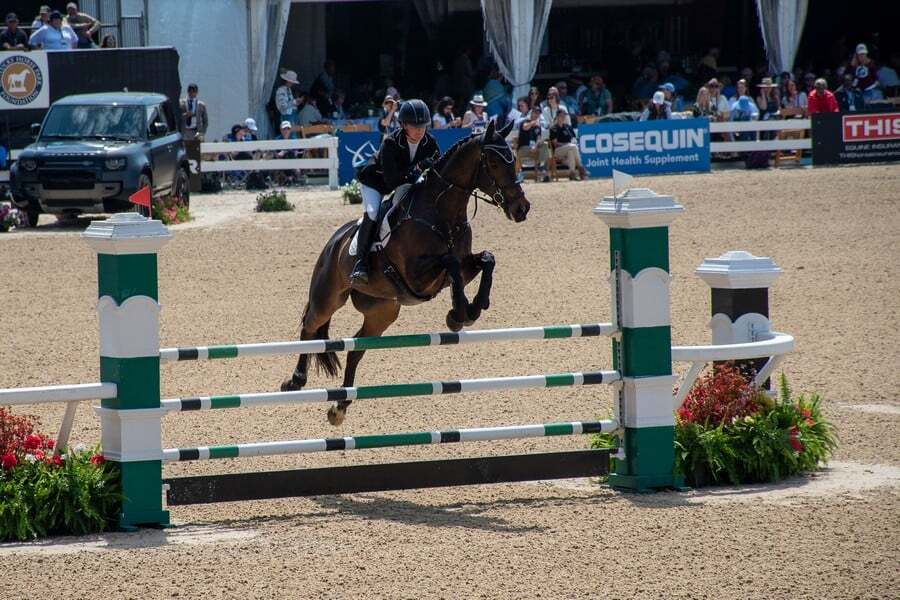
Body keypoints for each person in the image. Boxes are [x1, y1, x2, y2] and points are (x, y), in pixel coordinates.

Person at [354, 99, 439, 284]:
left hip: (404, 181)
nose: (420, 130)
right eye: (414, 126)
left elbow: (438, 168)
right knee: (373, 213)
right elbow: (391, 181)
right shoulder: (390, 143)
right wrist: (418, 168)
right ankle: (360, 264)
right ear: (404, 125)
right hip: (376, 182)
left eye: (423, 126)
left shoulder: (429, 142)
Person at [549, 110, 587, 180]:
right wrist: (568, 144)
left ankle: (572, 174)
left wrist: (572, 143)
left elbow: (574, 139)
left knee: (571, 152)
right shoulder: (554, 128)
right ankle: (581, 167)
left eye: (564, 116)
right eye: (561, 116)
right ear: (557, 117)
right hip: (557, 151)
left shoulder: (568, 127)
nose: (563, 117)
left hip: (569, 149)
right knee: (572, 147)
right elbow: (555, 144)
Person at [516, 106, 550, 182]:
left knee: (545, 144)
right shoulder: (525, 121)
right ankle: (542, 170)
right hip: (523, 148)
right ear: (531, 113)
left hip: (534, 149)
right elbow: (525, 127)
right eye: (535, 113)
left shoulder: (538, 126)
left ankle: (542, 168)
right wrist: (532, 123)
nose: (536, 115)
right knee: (541, 150)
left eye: (538, 114)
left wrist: (535, 146)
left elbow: (538, 138)